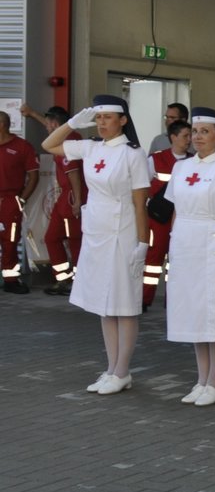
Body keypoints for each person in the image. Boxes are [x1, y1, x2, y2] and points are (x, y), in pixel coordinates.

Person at [41, 95, 151, 395]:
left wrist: (143, 243)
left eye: (107, 117)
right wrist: (72, 123)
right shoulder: (90, 147)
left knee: (124, 305)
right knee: (105, 305)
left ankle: (122, 370)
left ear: (123, 121)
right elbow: (48, 145)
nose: (101, 123)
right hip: (97, 231)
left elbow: (141, 204)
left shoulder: (133, 154)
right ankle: (111, 367)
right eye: (98, 117)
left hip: (123, 230)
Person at [165, 108, 215, 407]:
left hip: (214, 244)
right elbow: (175, 211)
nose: (197, 137)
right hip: (185, 244)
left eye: (204, 132)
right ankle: (201, 379)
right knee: (193, 313)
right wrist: (171, 248)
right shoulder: (181, 168)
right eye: (194, 132)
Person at [20, 105, 83, 295]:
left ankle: (79, 282)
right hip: (65, 196)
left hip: (72, 196)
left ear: (55, 124)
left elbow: (74, 174)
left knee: (75, 241)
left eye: (48, 125)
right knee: (52, 238)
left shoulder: (67, 142)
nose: (46, 128)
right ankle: (64, 279)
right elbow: (52, 126)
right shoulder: (70, 135)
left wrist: (77, 201)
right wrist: (32, 113)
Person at [143, 118, 192, 310]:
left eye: (190, 135)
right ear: (173, 137)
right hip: (159, 218)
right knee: (153, 260)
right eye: (185, 136)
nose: (189, 140)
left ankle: (174, 299)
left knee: (178, 259)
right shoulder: (155, 159)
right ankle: (144, 299)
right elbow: (142, 185)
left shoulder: (193, 162)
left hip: (183, 218)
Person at [0, 109, 40, 294]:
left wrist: (21, 199)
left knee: (10, 241)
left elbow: (33, 176)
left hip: (10, 201)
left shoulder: (22, 147)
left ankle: (10, 281)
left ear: (3, 125)